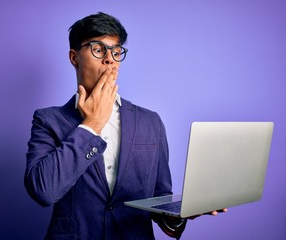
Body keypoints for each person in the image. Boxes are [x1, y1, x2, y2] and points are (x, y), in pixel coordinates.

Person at [25, 12, 225, 240]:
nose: (110, 59)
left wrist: (181, 213)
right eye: (98, 49)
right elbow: (43, 190)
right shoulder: (48, 120)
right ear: (74, 57)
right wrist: (92, 125)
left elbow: (160, 201)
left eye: (116, 51)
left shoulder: (151, 122)